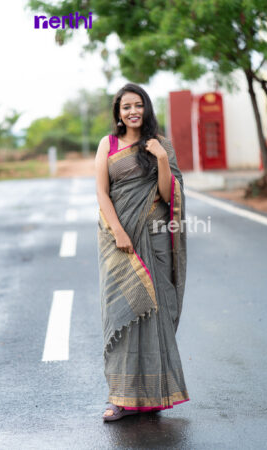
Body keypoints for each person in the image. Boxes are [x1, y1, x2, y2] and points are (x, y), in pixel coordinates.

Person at [95, 82, 190, 422]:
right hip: (118, 240)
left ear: (146, 108)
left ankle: (152, 394)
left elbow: (169, 195)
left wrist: (162, 159)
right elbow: (103, 194)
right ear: (118, 114)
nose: (132, 111)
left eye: (138, 105)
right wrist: (119, 232)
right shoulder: (108, 145)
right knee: (120, 313)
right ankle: (118, 398)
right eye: (126, 107)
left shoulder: (160, 145)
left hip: (155, 239)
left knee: (156, 314)